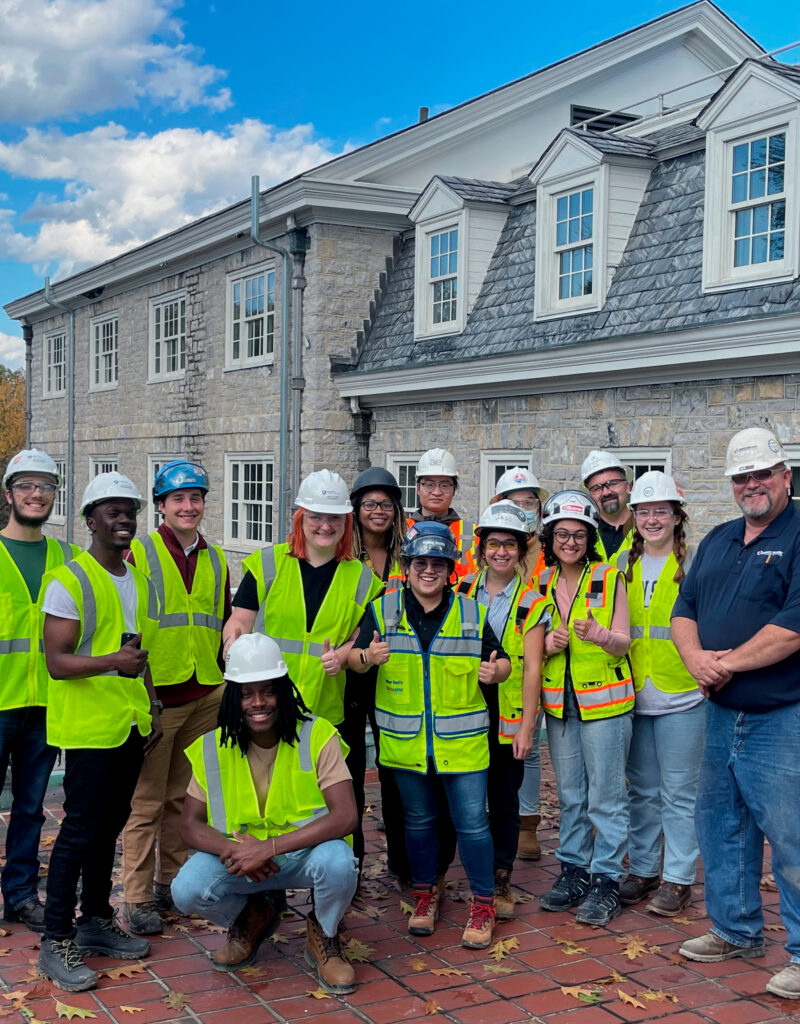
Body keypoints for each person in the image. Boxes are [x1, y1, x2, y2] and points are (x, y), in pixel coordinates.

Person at [672, 427, 800, 1000]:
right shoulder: (719, 539)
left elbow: (793, 627)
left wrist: (725, 667)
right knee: (722, 826)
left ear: (784, 477)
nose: (752, 485)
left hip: (782, 716)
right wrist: (696, 658)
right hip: (722, 716)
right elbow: (685, 610)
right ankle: (736, 930)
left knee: (792, 836)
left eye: (761, 474)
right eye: (741, 478)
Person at [348, 521, 511, 949]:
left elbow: (503, 660)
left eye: (438, 563)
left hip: (464, 744)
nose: (428, 570)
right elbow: (351, 657)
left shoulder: (470, 611)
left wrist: (497, 672)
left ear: (450, 569)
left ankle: (483, 903)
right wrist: (366, 655)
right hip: (406, 744)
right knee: (418, 823)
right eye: (421, 562)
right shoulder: (383, 609)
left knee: (473, 824)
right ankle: (424, 894)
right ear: (407, 566)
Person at [172, 633, 359, 993]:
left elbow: (346, 816)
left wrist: (269, 847)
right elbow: (189, 824)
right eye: (246, 693)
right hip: (241, 860)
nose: (258, 702)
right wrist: (236, 850)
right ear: (233, 698)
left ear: (283, 692)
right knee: (187, 889)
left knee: (339, 861)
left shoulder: (318, 735)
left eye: (268, 691)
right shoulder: (213, 747)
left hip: (304, 854)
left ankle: (325, 932)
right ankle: (254, 917)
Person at [37, 473, 162, 992]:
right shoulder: (70, 580)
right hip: (89, 731)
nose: (123, 519)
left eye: (129, 510)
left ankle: (94, 921)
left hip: (128, 726)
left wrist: (150, 704)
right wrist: (115, 662)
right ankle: (56, 939)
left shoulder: (138, 581)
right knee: (79, 832)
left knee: (109, 827)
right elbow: (56, 662)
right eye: (111, 511)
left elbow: (139, 650)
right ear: (90, 520)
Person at [122, 460, 231, 934]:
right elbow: (125, 626)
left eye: (196, 497)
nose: (188, 506)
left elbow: (222, 622)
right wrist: (142, 698)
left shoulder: (217, 557)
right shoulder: (139, 553)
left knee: (184, 799)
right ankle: (137, 897)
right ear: (161, 506)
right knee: (145, 803)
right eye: (178, 499)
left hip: (206, 691)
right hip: (157, 696)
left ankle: (171, 881)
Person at [522, 490, 632, 926]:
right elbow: (532, 645)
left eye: (579, 534)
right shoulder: (541, 583)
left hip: (605, 703)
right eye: (562, 534)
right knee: (570, 796)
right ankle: (574, 871)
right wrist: (548, 643)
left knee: (606, 798)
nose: (570, 541)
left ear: (589, 536)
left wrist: (602, 635)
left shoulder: (609, 576)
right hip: (560, 705)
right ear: (550, 538)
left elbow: (624, 642)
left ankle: (606, 879)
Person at [223, 470, 382, 728]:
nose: (325, 525)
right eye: (316, 517)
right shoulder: (267, 564)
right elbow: (240, 620)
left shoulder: (364, 580)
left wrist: (340, 657)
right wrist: (231, 646)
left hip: (324, 710)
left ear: (346, 522)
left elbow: (356, 640)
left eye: (334, 518)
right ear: (300, 518)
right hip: (264, 703)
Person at [615, 472, 705, 917]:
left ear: (676, 516)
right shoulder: (619, 565)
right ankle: (646, 870)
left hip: (683, 695)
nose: (652, 519)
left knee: (679, 794)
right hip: (634, 695)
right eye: (644, 511)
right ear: (634, 517)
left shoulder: (695, 565)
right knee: (642, 791)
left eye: (660, 511)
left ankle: (678, 879)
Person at [0, 450, 79, 932]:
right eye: (27, 485)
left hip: (49, 702)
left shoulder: (68, 558)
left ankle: (21, 895)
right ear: (9, 494)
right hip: (0, 701)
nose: (36, 494)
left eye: (45, 487)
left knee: (31, 807)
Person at [458, 501, 535, 919]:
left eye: (509, 544)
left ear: (521, 551)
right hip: (466, 711)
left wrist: (526, 726)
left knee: (504, 798)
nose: (501, 552)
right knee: (469, 798)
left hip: (508, 715)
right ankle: (473, 872)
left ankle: (501, 874)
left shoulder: (533, 601)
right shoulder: (462, 592)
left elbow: (533, 669)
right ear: (481, 548)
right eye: (493, 544)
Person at [340, 467, 410, 878]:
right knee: (348, 774)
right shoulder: (343, 556)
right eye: (369, 504)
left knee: (395, 770)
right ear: (357, 509)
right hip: (352, 674)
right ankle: (351, 864)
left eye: (385, 504)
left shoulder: (409, 552)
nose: (378, 511)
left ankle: (402, 862)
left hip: (398, 672)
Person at [490, 466, 549, 859]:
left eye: (530, 502)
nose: (524, 509)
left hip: (533, 669)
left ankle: (526, 824)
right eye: (516, 502)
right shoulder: (486, 554)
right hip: (480, 682)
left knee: (524, 754)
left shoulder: (551, 550)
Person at [408, 448, 477, 579]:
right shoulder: (401, 531)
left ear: (454, 489)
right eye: (429, 484)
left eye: (445, 485)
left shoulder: (474, 534)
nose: (437, 492)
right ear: (418, 488)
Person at [580, 451, 634, 562]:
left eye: (613, 483)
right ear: (590, 496)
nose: (606, 492)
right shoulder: (582, 534)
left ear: (627, 486)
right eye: (597, 488)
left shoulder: (647, 528)